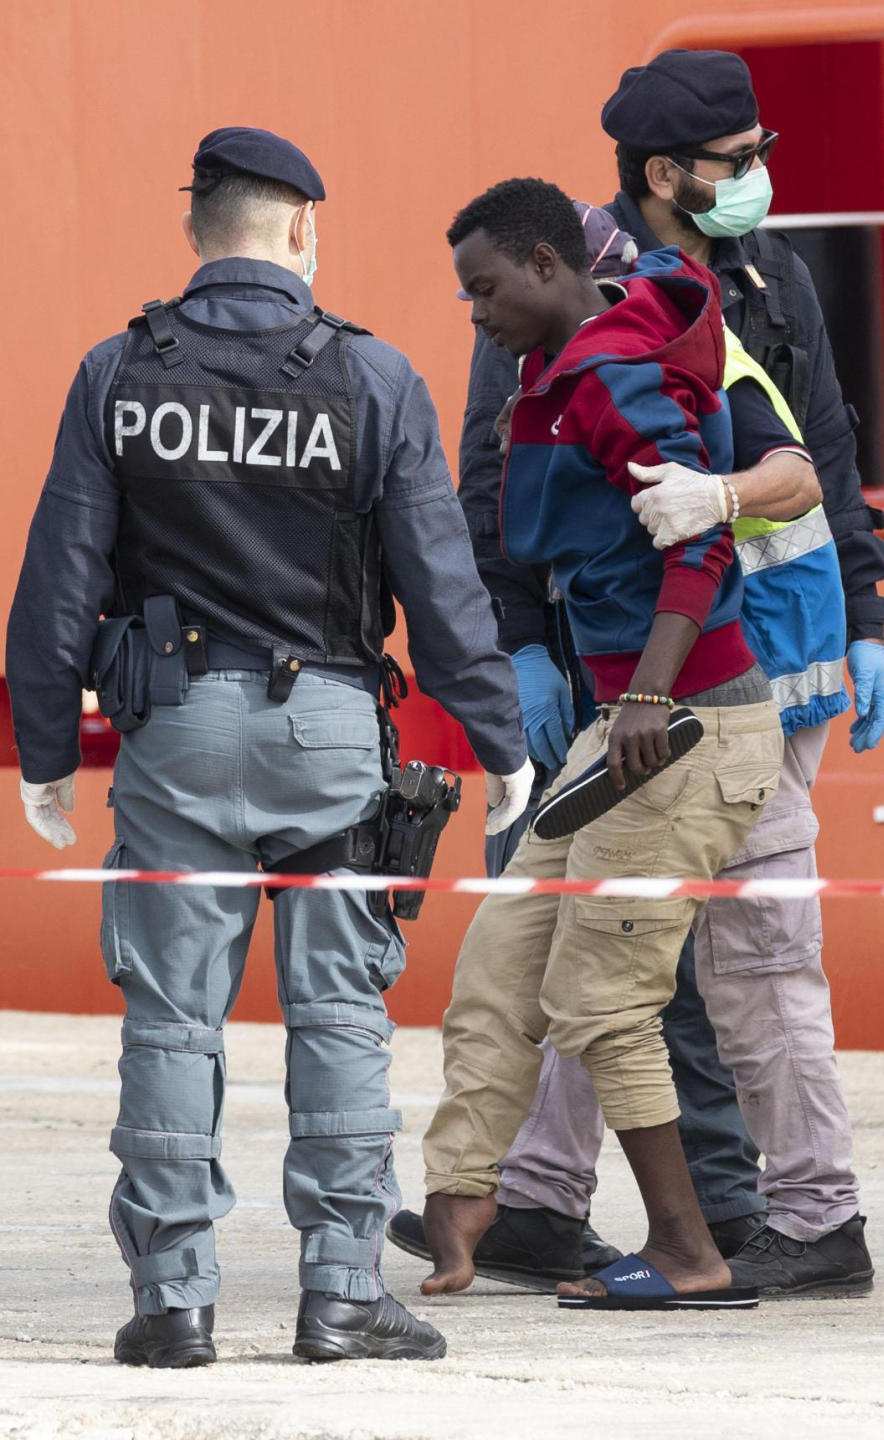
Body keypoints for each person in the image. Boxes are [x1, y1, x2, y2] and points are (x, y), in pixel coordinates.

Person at [6, 126, 532, 1367]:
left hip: (177, 733)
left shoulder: (117, 373)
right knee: (342, 1015)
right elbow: (443, 591)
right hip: (334, 734)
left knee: (171, 1023)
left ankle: (174, 1300)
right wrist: (501, 744)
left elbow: (55, 585)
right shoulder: (375, 376)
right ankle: (342, 1290)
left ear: (197, 231)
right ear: (304, 230)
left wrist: (40, 754)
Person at [392, 48, 884, 1299]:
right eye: (741, 162)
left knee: (736, 958)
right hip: (629, 674)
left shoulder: (757, 286)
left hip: (740, 665)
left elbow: (819, 447)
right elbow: (497, 479)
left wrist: (866, 612)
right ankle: (539, 1200)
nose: (762, 179)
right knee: (573, 946)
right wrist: (517, 647)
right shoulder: (569, 281)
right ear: (668, 173)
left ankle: (801, 1219)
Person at [418, 176, 785, 1312]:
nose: (473, 314)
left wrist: (649, 694)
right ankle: (465, 1201)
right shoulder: (568, 361)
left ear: (544, 265)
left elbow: (702, 543)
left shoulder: (614, 377)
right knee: (499, 959)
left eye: (483, 290)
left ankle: (688, 1250)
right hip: (622, 731)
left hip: (684, 727)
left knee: (605, 999)